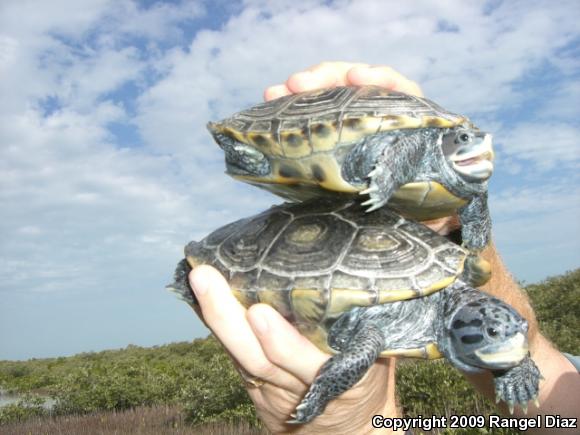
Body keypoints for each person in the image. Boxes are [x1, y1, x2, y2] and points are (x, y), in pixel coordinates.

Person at [189, 62, 580, 434]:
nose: (512, 344)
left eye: (506, 337)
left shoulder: (416, 317)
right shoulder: (456, 272)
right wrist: (443, 216)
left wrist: (357, 425)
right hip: (328, 175)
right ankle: (248, 148)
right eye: (507, 333)